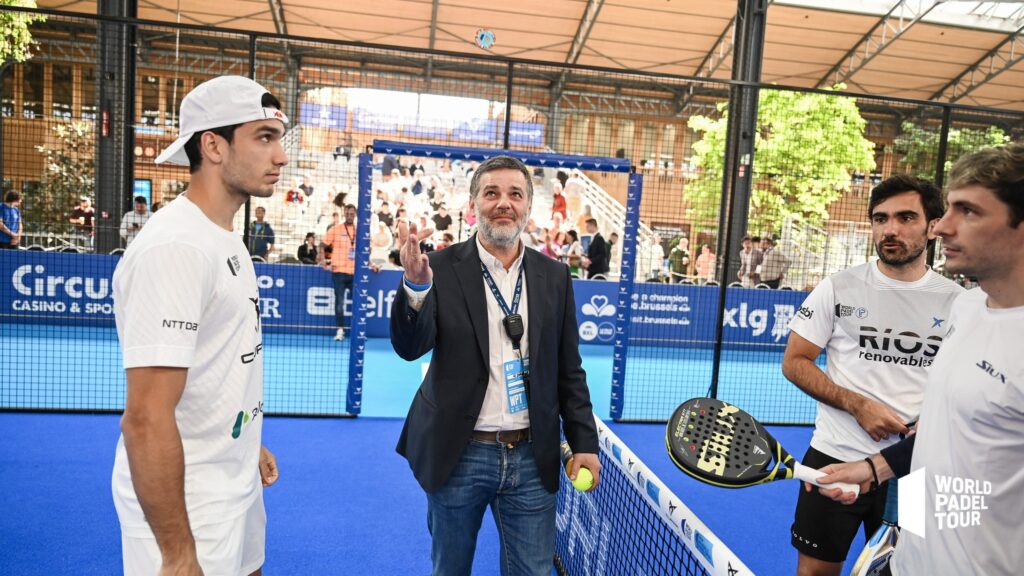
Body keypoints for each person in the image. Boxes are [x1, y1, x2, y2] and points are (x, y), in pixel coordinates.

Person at [813, 144, 1024, 576]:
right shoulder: (967, 310)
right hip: (909, 563)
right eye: (946, 209)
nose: (942, 226)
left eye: (967, 211)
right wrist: (872, 469)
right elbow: (946, 436)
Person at [390, 155, 601, 576]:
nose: (503, 203)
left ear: (527, 206)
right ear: (474, 204)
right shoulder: (441, 269)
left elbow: (569, 370)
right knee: (449, 569)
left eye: (515, 194)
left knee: (533, 571)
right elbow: (411, 348)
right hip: (459, 454)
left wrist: (585, 443)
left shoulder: (555, 277)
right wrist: (415, 288)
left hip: (531, 456)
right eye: (491, 193)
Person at [111, 75, 284, 576]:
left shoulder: (224, 237)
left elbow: (219, 364)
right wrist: (177, 552)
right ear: (213, 145)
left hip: (232, 482)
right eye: (264, 138)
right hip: (189, 508)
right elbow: (145, 418)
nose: (280, 157)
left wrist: (245, 442)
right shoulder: (176, 248)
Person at [783, 174, 962, 576]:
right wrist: (857, 404)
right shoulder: (838, 288)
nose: (890, 230)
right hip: (833, 457)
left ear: (933, 226)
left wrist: (929, 425)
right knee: (814, 573)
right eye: (880, 219)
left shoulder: (961, 304)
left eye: (905, 217)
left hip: (917, 470)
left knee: (916, 572)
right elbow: (795, 361)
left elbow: (964, 390)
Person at [321, 203, 357, 341]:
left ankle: (357, 331)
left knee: (357, 303)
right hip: (339, 272)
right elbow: (322, 244)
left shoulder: (359, 230)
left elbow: (365, 251)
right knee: (339, 302)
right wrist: (322, 260)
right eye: (347, 213)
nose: (349, 216)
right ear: (344, 214)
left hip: (355, 273)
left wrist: (371, 264)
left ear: (355, 215)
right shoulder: (336, 229)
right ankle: (340, 330)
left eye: (352, 214)